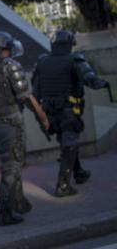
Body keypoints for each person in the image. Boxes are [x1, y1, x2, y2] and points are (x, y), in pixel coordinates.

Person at [0, 32, 50, 226]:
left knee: (12, 162)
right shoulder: (11, 65)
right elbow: (26, 97)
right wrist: (43, 117)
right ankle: (5, 212)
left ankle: (19, 202)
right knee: (11, 167)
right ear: (5, 48)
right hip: (8, 124)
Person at [32, 29, 109, 197]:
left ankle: (78, 172)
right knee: (70, 143)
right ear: (69, 44)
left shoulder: (42, 62)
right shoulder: (75, 59)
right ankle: (63, 185)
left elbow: (35, 93)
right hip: (68, 111)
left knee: (66, 142)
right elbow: (90, 79)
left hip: (49, 113)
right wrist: (104, 84)